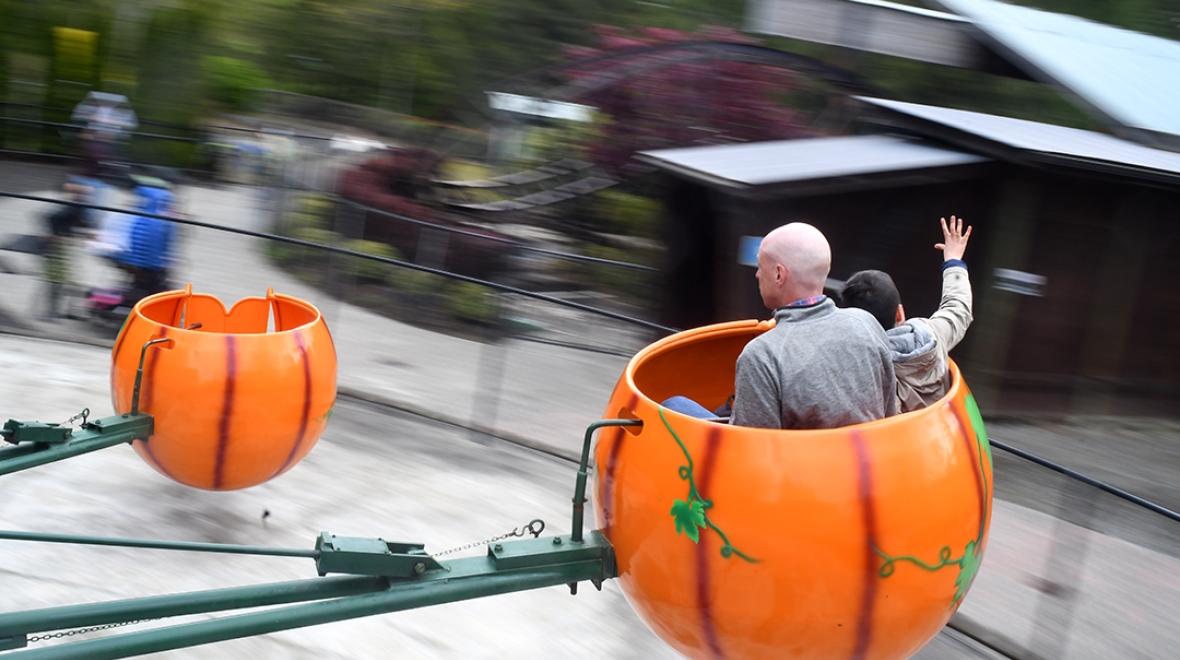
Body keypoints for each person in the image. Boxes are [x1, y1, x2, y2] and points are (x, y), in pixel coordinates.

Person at [727, 222, 899, 429]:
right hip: (872, 458)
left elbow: (752, 450)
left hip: (800, 462)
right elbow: (890, 416)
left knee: (678, 404)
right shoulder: (866, 324)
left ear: (779, 274)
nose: (757, 274)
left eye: (761, 267)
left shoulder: (760, 356)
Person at [840, 216, 973, 413]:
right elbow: (958, 307)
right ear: (900, 313)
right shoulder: (932, 335)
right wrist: (953, 261)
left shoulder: (856, 372)